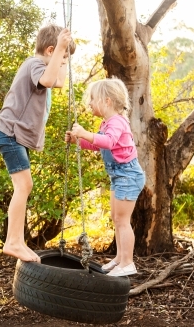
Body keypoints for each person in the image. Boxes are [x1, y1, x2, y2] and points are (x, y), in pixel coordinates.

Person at [0, 24, 76, 263]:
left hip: (13, 136)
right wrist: (61, 47)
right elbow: (49, 79)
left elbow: (58, 81)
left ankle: (16, 241)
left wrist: (64, 55)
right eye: (61, 57)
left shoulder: (43, 64)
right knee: (24, 186)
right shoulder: (34, 64)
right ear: (50, 50)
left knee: (24, 186)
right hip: (9, 133)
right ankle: (13, 242)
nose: (62, 62)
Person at [65, 78, 145, 277]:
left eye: (93, 99)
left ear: (106, 101)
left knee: (122, 220)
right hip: (118, 176)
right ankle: (120, 257)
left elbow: (108, 142)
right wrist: (79, 140)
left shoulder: (117, 121)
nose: (90, 103)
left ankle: (128, 262)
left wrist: (85, 132)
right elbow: (98, 144)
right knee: (116, 219)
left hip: (128, 175)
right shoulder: (107, 122)